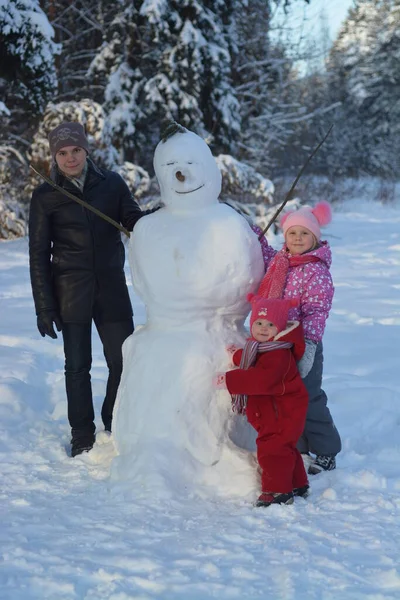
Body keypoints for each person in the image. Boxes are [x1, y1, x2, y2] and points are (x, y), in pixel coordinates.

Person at [29, 121, 152, 458]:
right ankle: (81, 432)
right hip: (70, 290)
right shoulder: (45, 195)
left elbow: (132, 220)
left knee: (123, 360)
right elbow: (38, 253)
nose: (70, 158)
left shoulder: (111, 183)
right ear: (55, 156)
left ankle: (114, 420)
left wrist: (156, 222)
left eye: (76, 150)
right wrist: (44, 306)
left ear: (86, 150)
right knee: (77, 366)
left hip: (111, 286)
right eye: (63, 153)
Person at [256, 201, 341, 474]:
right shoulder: (281, 261)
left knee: (308, 396)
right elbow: (265, 253)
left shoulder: (315, 270)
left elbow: (317, 312)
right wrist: (252, 233)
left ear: (315, 238)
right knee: (288, 396)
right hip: (278, 341)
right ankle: (301, 447)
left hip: (305, 342)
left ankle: (326, 451)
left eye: (304, 234)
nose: (297, 239)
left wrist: (311, 346)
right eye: (293, 233)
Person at [213, 296, 309, 507]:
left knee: (273, 450)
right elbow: (253, 359)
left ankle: (278, 491)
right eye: (258, 323)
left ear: (280, 328)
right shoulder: (266, 348)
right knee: (286, 448)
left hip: (283, 415)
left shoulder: (279, 355)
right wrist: (238, 356)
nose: (263, 328)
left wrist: (228, 379)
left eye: (270, 324)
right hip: (279, 413)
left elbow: (261, 378)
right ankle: (298, 484)